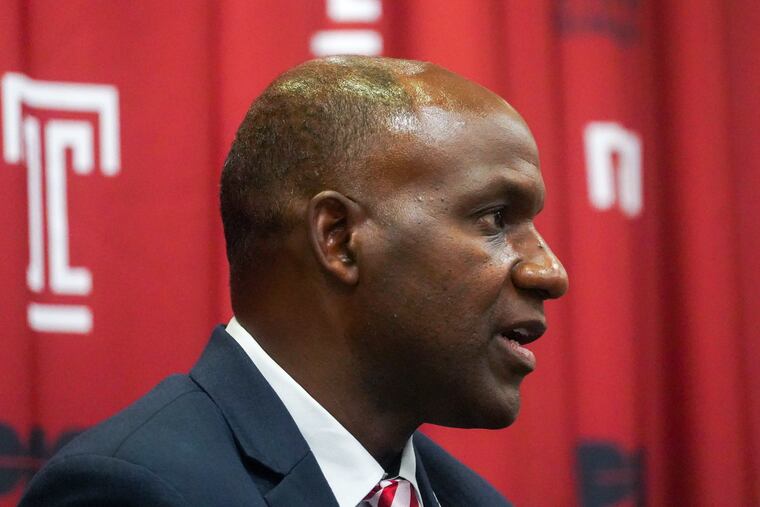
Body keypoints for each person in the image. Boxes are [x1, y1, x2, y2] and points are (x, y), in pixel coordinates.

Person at [20, 56, 568, 507]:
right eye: (496, 219)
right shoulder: (134, 489)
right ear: (339, 238)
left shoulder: (473, 500)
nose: (549, 272)